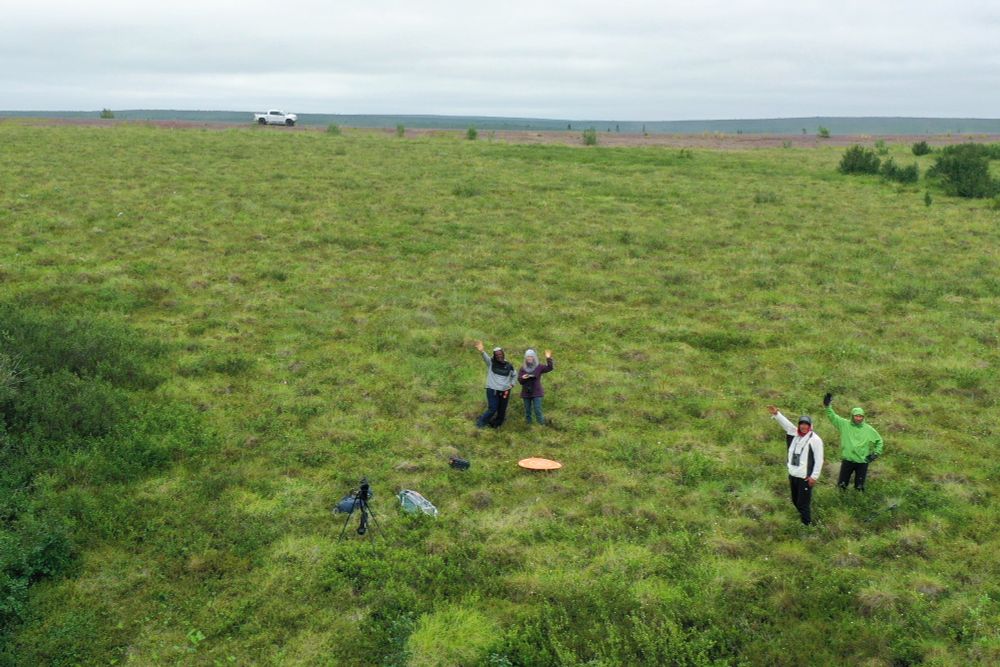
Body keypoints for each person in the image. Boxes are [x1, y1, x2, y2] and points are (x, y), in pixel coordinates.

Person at [767, 406, 824, 526]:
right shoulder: (794, 434)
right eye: (801, 424)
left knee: (803, 504)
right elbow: (787, 425)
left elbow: (819, 460)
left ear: (810, 426)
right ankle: (804, 519)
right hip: (793, 474)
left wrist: (814, 477)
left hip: (805, 477)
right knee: (795, 500)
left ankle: (807, 525)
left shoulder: (815, 440)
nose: (803, 426)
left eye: (806, 424)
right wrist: (777, 414)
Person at [823, 392, 884, 491]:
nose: (858, 418)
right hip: (848, 461)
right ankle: (841, 502)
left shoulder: (868, 429)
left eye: (861, 416)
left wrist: (876, 454)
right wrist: (827, 406)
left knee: (859, 487)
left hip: (862, 462)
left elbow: (879, 441)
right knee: (842, 486)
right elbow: (833, 417)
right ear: (852, 416)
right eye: (856, 416)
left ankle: (859, 502)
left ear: (863, 417)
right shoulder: (844, 424)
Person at [473, 341, 517, 428]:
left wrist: (512, 384)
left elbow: (514, 375)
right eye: (497, 355)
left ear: (503, 354)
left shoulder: (509, 365)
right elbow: (485, 357)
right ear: (494, 356)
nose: (499, 356)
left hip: (505, 391)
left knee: (502, 410)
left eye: (500, 354)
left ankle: (495, 425)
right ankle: (480, 424)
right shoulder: (491, 363)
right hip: (492, 390)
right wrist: (482, 351)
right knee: (492, 409)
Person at [518, 349, 554, 425]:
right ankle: (528, 426)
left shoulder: (539, 367)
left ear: (534, 357)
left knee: (538, 410)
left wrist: (548, 358)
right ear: (525, 358)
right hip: (526, 392)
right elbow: (520, 381)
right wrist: (523, 378)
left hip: (536, 392)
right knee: (527, 411)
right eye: (528, 357)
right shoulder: (522, 368)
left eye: (531, 356)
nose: (529, 358)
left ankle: (541, 426)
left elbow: (550, 368)